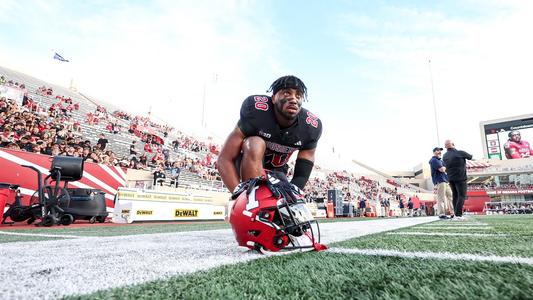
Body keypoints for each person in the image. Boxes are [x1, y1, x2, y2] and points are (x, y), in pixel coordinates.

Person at [217, 75, 322, 195]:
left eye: (298, 95)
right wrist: (239, 195)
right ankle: (251, 197)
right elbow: (224, 159)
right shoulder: (256, 112)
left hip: (278, 172)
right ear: (273, 98)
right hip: (245, 166)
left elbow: (302, 174)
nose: (294, 99)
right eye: (287, 93)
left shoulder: (309, 127)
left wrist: (292, 193)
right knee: (255, 143)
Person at [443, 139, 473, 220]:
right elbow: (470, 157)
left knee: (455, 196)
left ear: (445, 146)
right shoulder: (460, 153)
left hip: (450, 178)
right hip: (460, 178)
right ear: (453, 144)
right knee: (461, 196)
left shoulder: (445, 155)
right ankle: (458, 215)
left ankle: (455, 214)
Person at [429, 147, 453, 219]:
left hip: (445, 181)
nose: (439, 152)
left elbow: (446, 168)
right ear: (434, 152)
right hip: (440, 181)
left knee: (450, 197)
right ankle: (441, 214)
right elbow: (442, 169)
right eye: (437, 150)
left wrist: (445, 167)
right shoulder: (434, 160)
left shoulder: (440, 160)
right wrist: (445, 167)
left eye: (440, 150)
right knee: (441, 198)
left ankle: (453, 213)